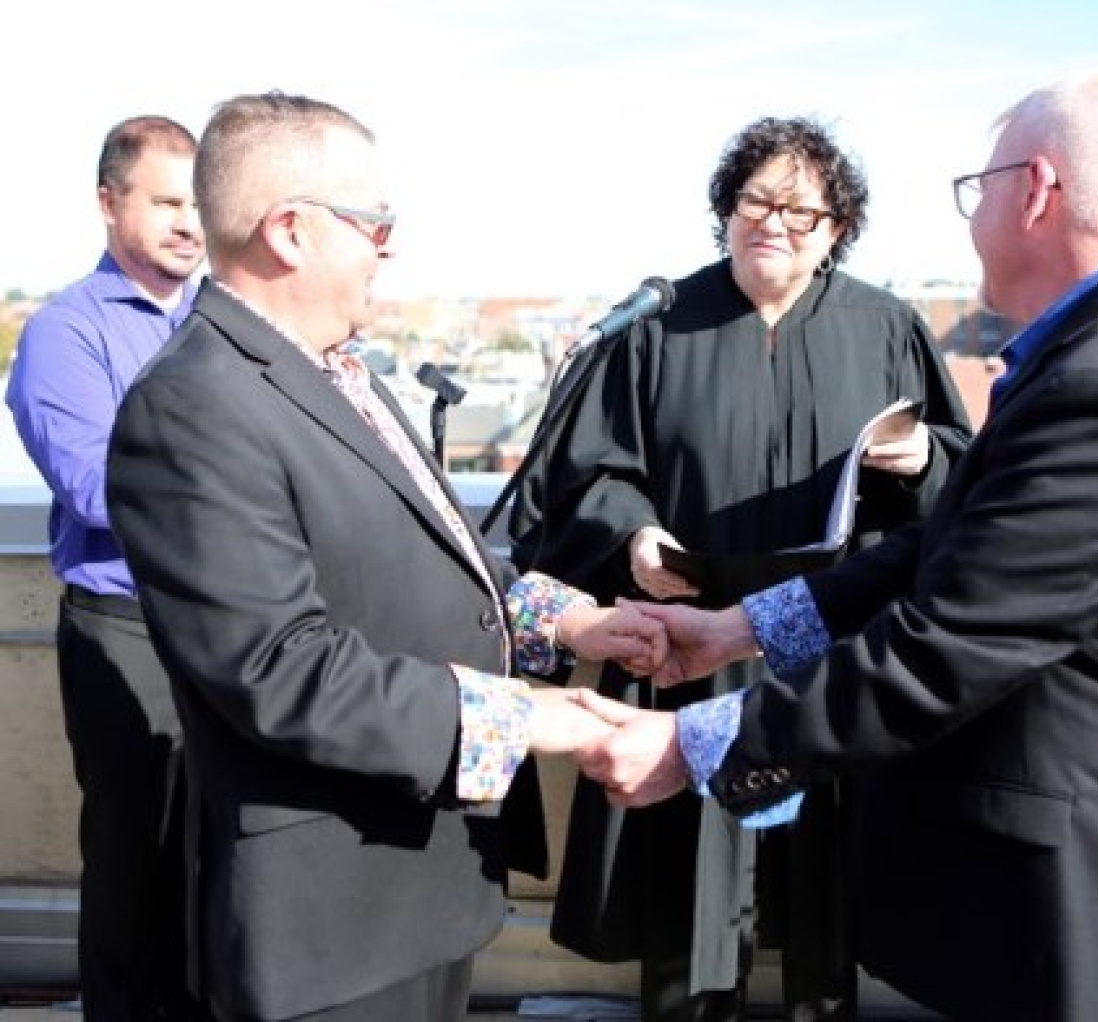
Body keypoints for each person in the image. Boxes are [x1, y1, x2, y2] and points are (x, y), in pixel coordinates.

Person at [569, 72, 1098, 1022]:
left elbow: (945, 644)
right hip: (1071, 902)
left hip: (1080, 923)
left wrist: (692, 742)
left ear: (1036, 191)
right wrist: (737, 629)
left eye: (979, 191)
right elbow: (948, 549)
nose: (972, 217)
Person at [103, 91, 665, 1022]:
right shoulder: (193, 407)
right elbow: (280, 669)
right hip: (331, 925)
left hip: (423, 880)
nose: (389, 245)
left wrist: (572, 619)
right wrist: (533, 718)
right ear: (290, 230)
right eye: (375, 222)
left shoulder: (334, 371)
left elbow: (430, 558)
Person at [509, 116, 971, 1022]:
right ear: (725, 211)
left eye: (804, 211)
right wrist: (634, 534)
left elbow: (963, 477)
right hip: (688, 639)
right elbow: (589, 474)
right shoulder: (657, 324)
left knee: (826, 884)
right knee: (685, 886)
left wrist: (916, 459)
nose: (776, 223)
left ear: (837, 228)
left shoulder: (887, 326)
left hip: (829, 644)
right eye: (758, 201)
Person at [5, 114, 204, 1022]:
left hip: (231, 627)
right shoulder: (64, 334)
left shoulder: (223, 321)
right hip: (126, 631)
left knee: (218, 858)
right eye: (166, 201)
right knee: (135, 868)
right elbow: (98, 488)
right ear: (107, 202)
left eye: (198, 201)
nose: (189, 223)